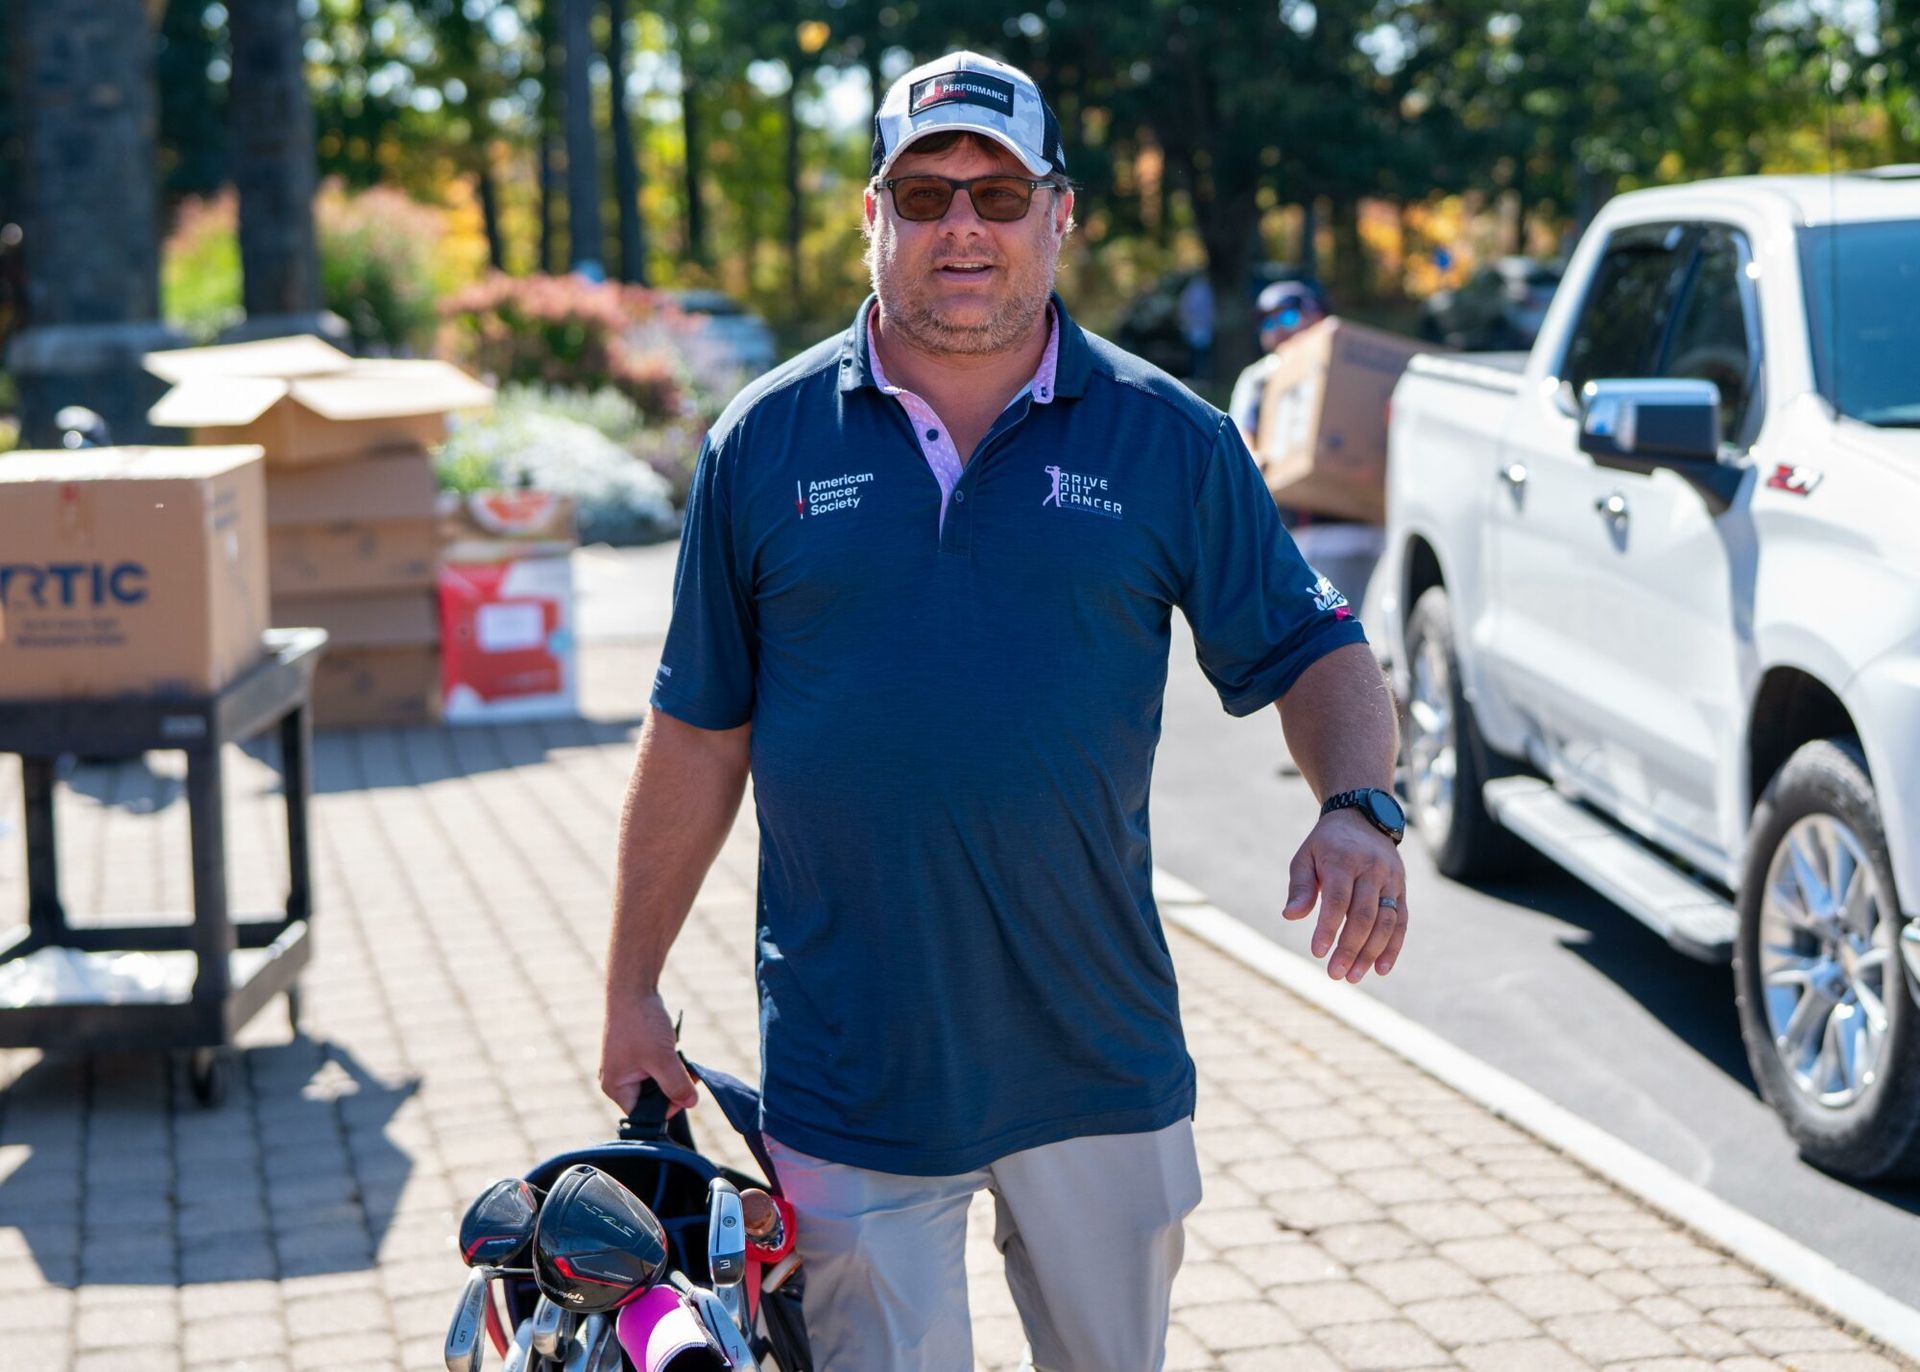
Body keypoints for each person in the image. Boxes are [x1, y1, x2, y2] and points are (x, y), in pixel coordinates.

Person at [598, 49, 1409, 1372]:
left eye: (999, 191)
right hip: (854, 1066)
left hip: (1096, 1052)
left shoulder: (1171, 438)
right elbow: (697, 729)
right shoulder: (763, 442)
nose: (962, 226)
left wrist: (1358, 807)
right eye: (925, 196)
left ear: (1059, 213)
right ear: (874, 216)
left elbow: (1317, 645)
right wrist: (631, 985)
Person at [1227, 279, 1327, 453]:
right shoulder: (1258, 375)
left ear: (1316, 317)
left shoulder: (1334, 364)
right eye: (1268, 323)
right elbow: (1241, 431)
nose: (1277, 329)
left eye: (1288, 318)